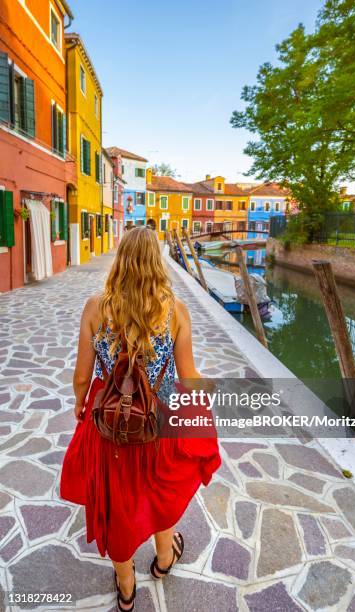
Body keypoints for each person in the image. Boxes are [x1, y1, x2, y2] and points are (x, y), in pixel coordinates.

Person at [60, 227, 221, 612]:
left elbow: (82, 376)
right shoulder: (174, 312)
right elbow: (188, 378)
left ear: (120, 260)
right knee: (157, 491)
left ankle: (127, 586)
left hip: (109, 426)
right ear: (156, 262)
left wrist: (80, 404)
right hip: (158, 423)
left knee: (115, 504)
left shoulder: (96, 307)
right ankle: (164, 560)